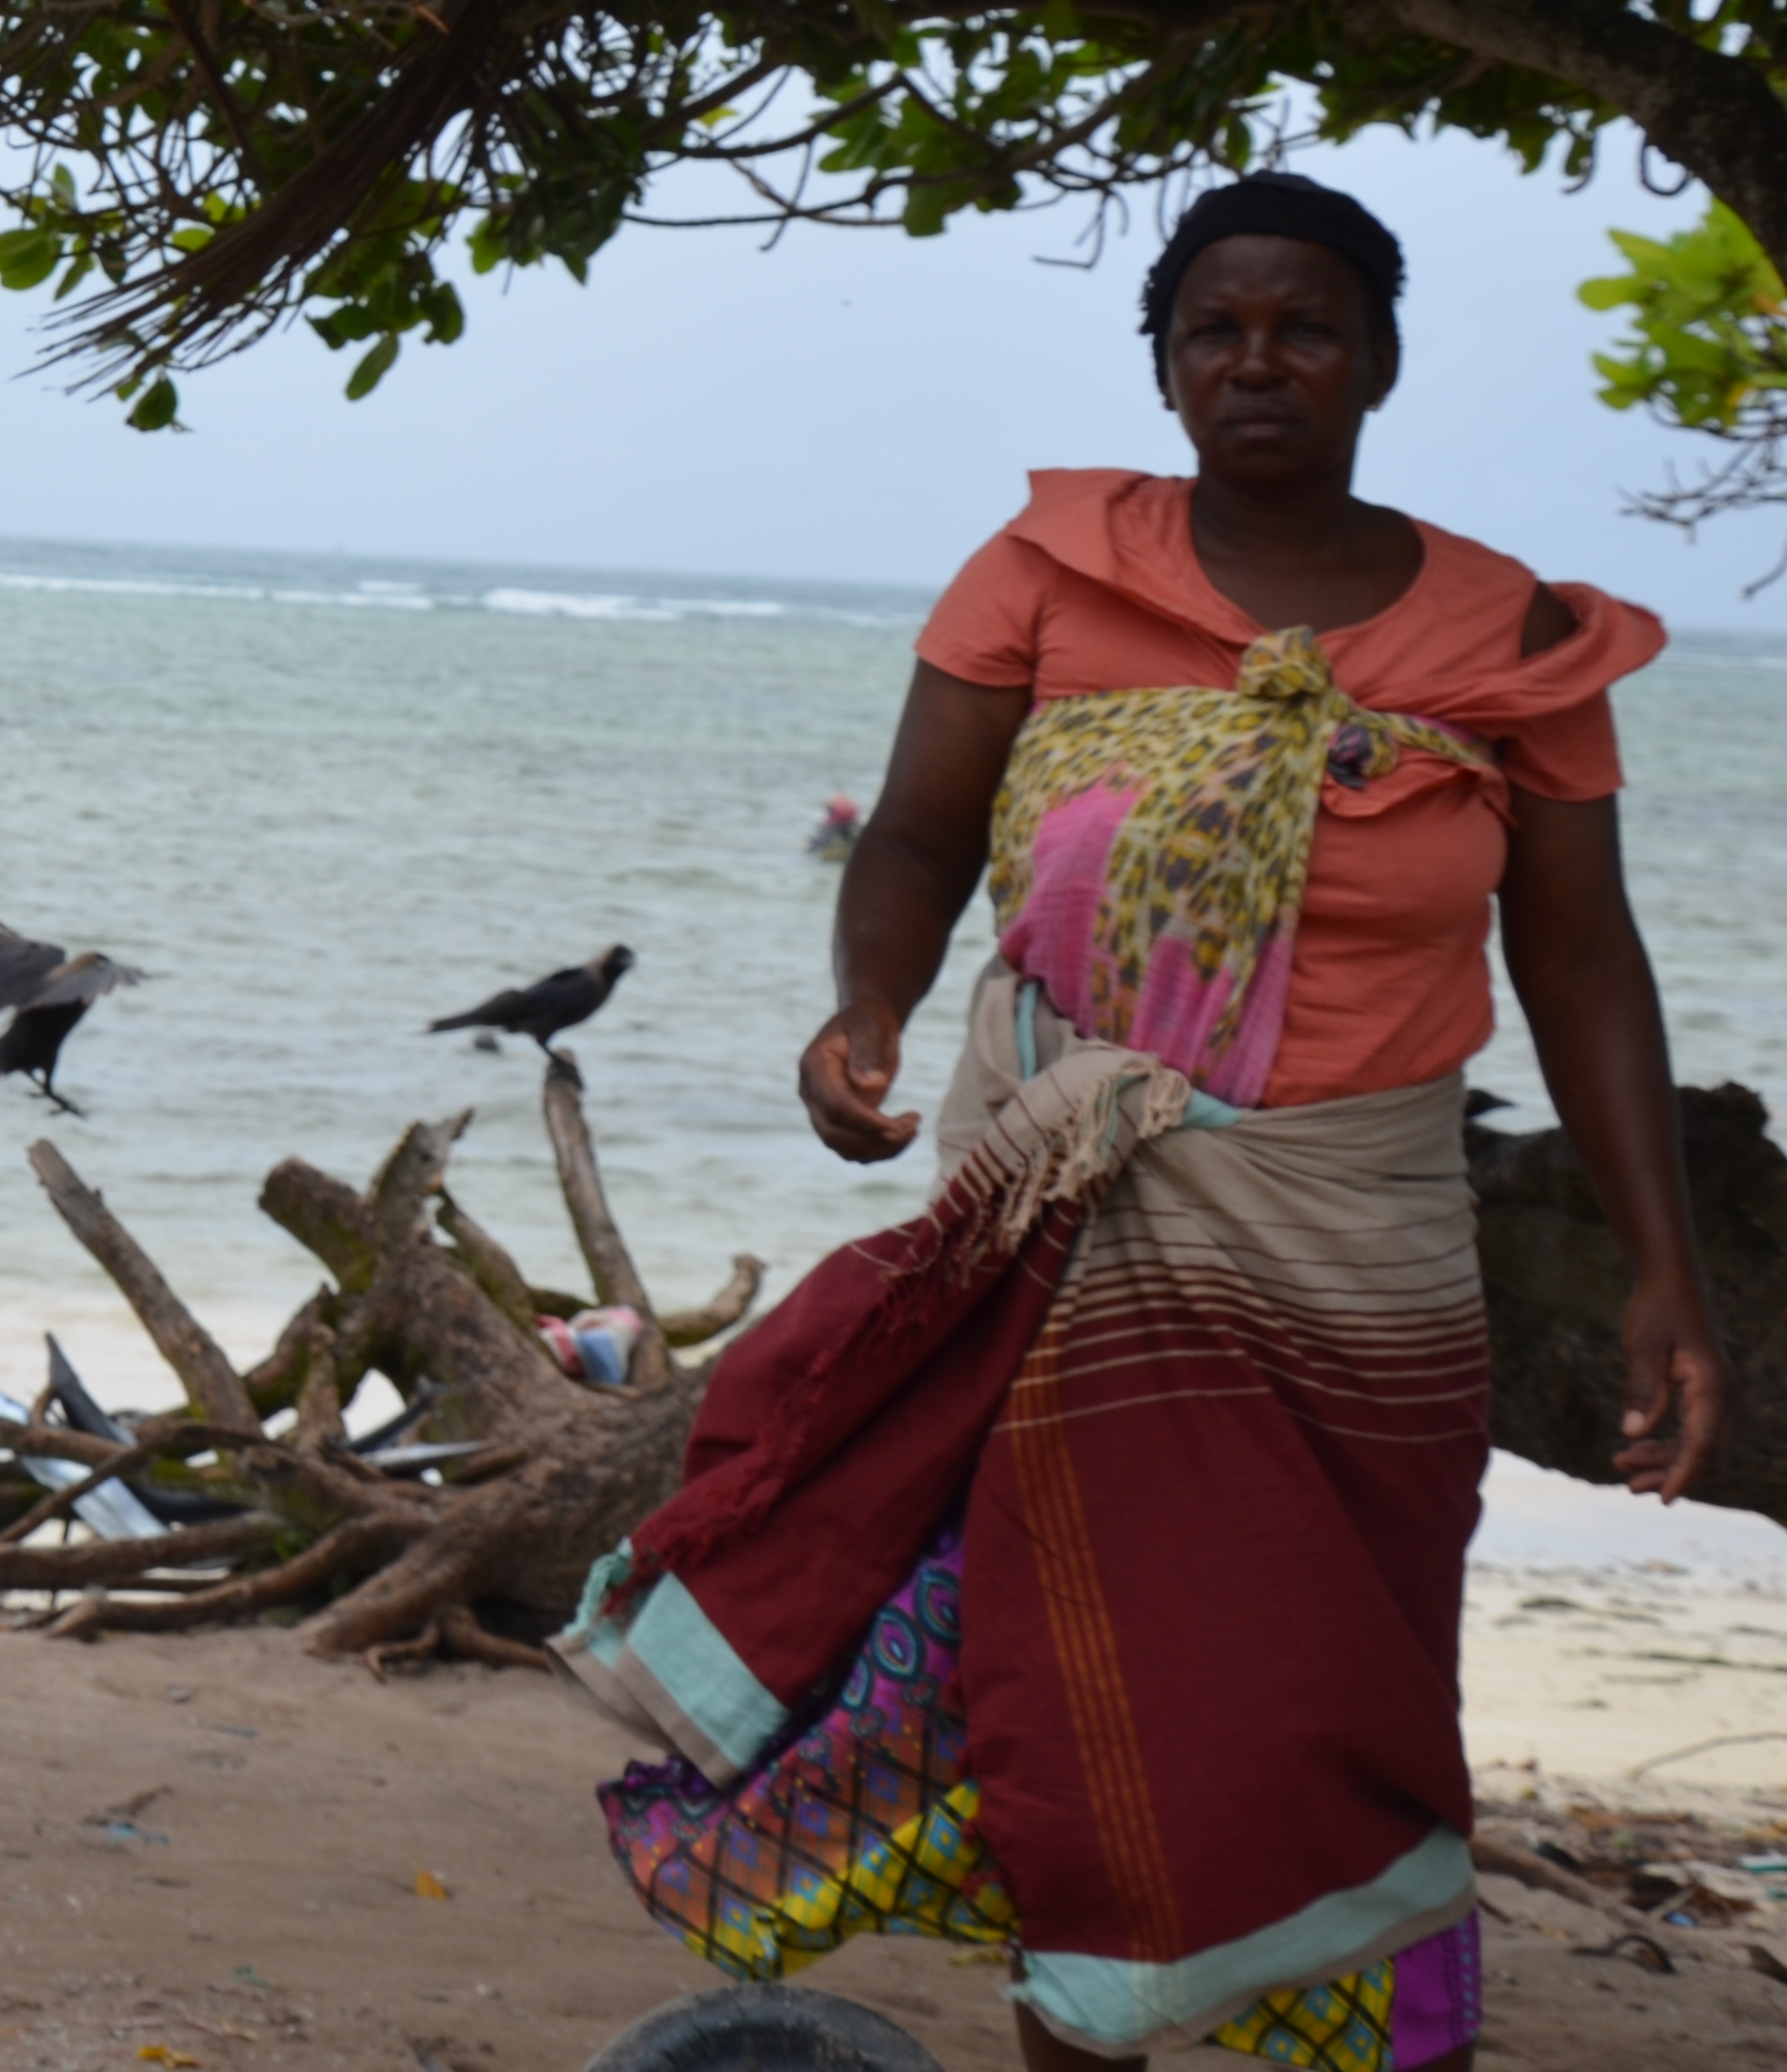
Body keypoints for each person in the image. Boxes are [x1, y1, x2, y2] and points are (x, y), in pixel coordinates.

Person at [558, 175, 1729, 2072]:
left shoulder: (1510, 635)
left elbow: (1582, 957)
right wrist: (864, 1007)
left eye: (1305, 327)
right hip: (1068, 1212)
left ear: (1379, 359)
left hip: (1355, 1252)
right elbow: (916, 833)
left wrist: (1662, 1267)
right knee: (1068, 1671)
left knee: (1339, 1690)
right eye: (1214, 330)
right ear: (1165, 365)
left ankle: (1382, 2028)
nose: (1257, 360)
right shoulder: (1045, 569)